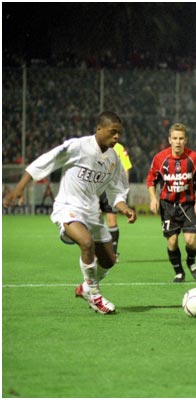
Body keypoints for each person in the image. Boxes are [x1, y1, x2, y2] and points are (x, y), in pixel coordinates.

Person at [2, 111, 137, 314]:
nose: (117, 136)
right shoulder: (78, 146)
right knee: (86, 243)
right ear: (99, 129)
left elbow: (117, 191)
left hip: (92, 212)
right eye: (113, 132)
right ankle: (94, 295)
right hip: (69, 207)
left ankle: (85, 287)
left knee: (109, 260)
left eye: (119, 133)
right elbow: (46, 160)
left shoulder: (114, 159)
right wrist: (20, 188)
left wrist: (124, 208)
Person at [147, 123, 196, 283]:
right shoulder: (160, 158)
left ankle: (191, 261)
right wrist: (153, 198)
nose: (178, 142)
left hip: (188, 204)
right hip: (167, 205)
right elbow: (151, 180)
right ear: (169, 140)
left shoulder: (194, 157)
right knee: (172, 241)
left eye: (181, 138)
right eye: (175, 138)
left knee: (191, 241)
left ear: (185, 140)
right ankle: (179, 272)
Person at [99, 141, 132, 262]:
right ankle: (95, 252)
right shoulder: (95, 146)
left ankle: (113, 253)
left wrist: (123, 188)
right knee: (93, 218)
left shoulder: (118, 148)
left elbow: (126, 168)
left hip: (111, 188)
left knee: (111, 220)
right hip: (96, 186)